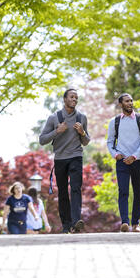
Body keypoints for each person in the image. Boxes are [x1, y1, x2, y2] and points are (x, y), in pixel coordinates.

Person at [39, 88, 90, 233]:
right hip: (60, 159)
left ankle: (75, 222)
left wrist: (82, 133)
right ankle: (66, 225)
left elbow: (86, 141)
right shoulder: (54, 117)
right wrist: (57, 131)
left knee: (75, 188)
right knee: (62, 192)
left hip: (76, 156)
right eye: (72, 97)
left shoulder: (81, 118)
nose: (74, 99)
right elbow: (42, 140)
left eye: (76, 98)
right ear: (65, 99)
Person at [106, 93, 140, 232]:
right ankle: (125, 222)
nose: (130, 103)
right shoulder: (115, 122)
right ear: (120, 104)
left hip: (139, 160)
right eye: (127, 101)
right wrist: (115, 154)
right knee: (123, 191)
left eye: (131, 101)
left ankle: (136, 223)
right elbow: (110, 142)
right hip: (122, 161)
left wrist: (135, 156)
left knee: (138, 192)